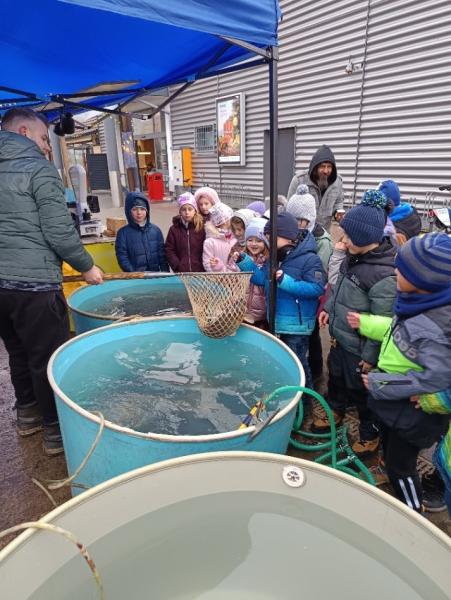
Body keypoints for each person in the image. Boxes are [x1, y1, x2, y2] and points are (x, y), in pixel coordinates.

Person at [0, 107, 104, 455]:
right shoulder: (39, 170)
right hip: (34, 286)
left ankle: (27, 415)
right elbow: (59, 232)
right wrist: (87, 267)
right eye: (45, 139)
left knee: (17, 352)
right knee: (47, 358)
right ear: (24, 132)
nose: (48, 146)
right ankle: (55, 431)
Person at [346, 233, 451, 511]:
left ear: (423, 281)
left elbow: (436, 378)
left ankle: (412, 511)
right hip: (396, 401)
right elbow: (397, 330)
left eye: (401, 269)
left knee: (401, 466)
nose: (395, 272)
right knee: (389, 445)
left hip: (414, 412)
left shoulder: (435, 327)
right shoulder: (417, 303)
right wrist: (367, 323)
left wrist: (381, 383)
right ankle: (387, 469)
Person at [312, 191, 397, 458]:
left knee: (362, 395)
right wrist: (328, 308)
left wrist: (370, 358)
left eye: (348, 236)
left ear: (365, 237)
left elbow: (384, 324)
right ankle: (335, 410)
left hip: (360, 351)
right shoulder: (354, 257)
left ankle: (369, 434)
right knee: (335, 378)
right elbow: (338, 289)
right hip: (340, 340)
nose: (343, 241)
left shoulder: (384, 276)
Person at [235, 212, 325, 389]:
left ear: (288, 236)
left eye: (272, 238)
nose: (269, 243)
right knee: (284, 362)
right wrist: (244, 261)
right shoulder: (275, 257)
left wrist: (286, 282)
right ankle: (287, 392)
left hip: (296, 327)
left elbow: (317, 288)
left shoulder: (310, 259)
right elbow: (262, 279)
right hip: (277, 321)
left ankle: (306, 399)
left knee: (298, 364)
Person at [286, 184, 333, 385]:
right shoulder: (294, 237)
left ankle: (317, 374)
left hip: (314, 296)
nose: (297, 224)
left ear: (310, 219)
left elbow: (320, 275)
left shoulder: (322, 241)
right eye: (293, 219)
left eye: (301, 220)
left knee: (312, 336)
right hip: (295, 294)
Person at [287, 145, 344, 231]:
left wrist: (338, 217)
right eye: (322, 166)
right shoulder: (299, 180)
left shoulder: (338, 181)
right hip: (303, 232)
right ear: (315, 166)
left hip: (325, 232)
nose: (326, 171)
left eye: (329, 167)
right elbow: (289, 209)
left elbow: (338, 203)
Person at [115, 192, 168, 272]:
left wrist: (165, 274)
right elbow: (122, 257)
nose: (139, 213)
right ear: (128, 211)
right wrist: (134, 274)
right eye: (134, 209)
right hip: (136, 277)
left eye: (142, 209)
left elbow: (162, 256)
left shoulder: (156, 231)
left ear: (147, 210)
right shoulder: (123, 233)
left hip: (155, 275)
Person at [165, 192, 205, 272]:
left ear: (195, 210)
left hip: (200, 272)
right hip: (181, 272)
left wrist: (202, 266)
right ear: (180, 211)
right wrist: (177, 265)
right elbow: (169, 250)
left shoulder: (201, 228)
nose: (187, 212)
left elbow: (207, 249)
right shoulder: (174, 229)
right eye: (183, 209)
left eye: (190, 209)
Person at [241, 218, 269, 329]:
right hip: (242, 311)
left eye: (258, 241)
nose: (253, 244)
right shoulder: (241, 257)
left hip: (261, 316)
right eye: (250, 240)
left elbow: (263, 280)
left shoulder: (268, 261)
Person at [202, 202, 239, 272]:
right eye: (230, 217)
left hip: (235, 277)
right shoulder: (210, 242)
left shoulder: (235, 238)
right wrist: (220, 271)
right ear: (225, 220)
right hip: (217, 278)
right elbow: (208, 264)